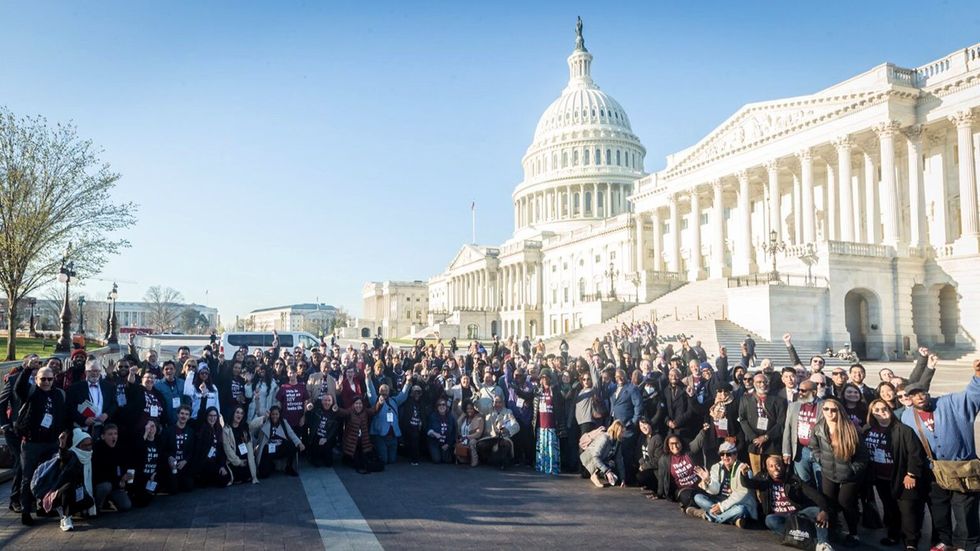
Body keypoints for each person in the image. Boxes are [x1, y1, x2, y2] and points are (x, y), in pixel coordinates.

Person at [901, 358, 980, 551]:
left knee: (964, 510)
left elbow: (972, 396)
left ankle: (967, 545)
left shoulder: (950, 402)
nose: (920, 397)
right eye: (914, 395)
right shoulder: (907, 416)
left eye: (922, 392)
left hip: (962, 469)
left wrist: (977, 377)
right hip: (934, 472)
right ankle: (945, 541)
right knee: (939, 509)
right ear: (909, 399)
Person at [864, 398, 928, 549]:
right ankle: (893, 535)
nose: (881, 412)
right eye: (877, 410)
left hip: (902, 477)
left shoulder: (903, 430)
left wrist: (911, 474)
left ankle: (911, 542)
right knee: (890, 508)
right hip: (881, 478)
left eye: (884, 408)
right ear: (872, 414)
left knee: (908, 511)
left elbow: (915, 454)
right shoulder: (868, 430)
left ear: (890, 410)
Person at [742, 456, 833, 551]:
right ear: (767, 468)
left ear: (783, 466)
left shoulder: (793, 479)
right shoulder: (763, 479)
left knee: (818, 511)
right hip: (780, 518)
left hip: (797, 514)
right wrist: (744, 474)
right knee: (769, 520)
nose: (775, 469)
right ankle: (805, 539)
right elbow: (748, 483)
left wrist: (824, 510)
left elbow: (814, 495)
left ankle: (823, 543)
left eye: (778, 465)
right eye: (771, 466)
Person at [809, 398, 868, 546]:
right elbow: (814, 447)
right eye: (826, 409)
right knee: (828, 502)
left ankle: (853, 533)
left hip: (849, 474)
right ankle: (833, 529)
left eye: (833, 409)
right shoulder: (819, 427)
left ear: (840, 411)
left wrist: (853, 470)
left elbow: (862, 455)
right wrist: (820, 460)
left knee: (846, 502)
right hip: (828, 472)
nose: (829, 412)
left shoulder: (850, 428)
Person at [15, 365, 68, 525]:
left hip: (51, 442)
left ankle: (43, 506)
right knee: (28, 476)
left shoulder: (59, 394)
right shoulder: (31, 393)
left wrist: (63, 431)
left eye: (49, 379)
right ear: (36, 379)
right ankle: (26, 511)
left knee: (48, 476)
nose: (46, 382)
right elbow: (19, 388)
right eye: (43, 379)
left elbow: (62, 415)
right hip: (32, 443)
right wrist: (26, 369)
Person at [687, 442, 756, 527]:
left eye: (728, 454)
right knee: (698, 497)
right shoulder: (716, 467)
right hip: (719, 501)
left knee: (740, 510)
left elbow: (742, 493)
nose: (725, 457)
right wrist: (708, 481)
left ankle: (706, 515)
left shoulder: (744, 469)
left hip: (738, 503)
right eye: (722, 454)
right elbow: (715, 491)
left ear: (735, 455)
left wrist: (721, 507)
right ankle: (732, 519)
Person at [738, 372, 786, 477]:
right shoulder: (745, 400)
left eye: (765, 382)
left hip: (773, 443)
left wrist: (766, 437)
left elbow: (781, 422)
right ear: (754, 383)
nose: (762, 384)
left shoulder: (779, 401)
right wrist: (754, 438)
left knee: (776, 474)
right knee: (757, 475)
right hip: (754, 444)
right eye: (759, 382)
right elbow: (742, 419)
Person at [782, 380, 822, 484]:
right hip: (800, 451)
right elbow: (788, 429)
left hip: (820, 450)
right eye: (799, 390)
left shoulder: (824, 406)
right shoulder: (793, 406)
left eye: (803, 391)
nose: (800, 393)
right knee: (804, 483)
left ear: (814, 392)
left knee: (821, 483)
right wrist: (786, 451)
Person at [67, 358, 116, 440]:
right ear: (86, 372)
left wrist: (106, 414)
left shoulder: (108, 386)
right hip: (83, 428)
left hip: (103, 427)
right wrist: (84, 420)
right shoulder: (75, 388)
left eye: (97, 371)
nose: (95, 373)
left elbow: (114, 404)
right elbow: (70, 408)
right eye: (91, 371)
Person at [365, 376, 411, 465]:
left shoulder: (394, 400)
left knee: (392, 461)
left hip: (393, 437)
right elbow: (370, 391)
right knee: (384, 461)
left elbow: (403, 394)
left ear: (389, 391)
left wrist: (408, 382)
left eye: (386, 389)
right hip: (381, 436)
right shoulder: (375, 400)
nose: (384, 391)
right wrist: (368, 378)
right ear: (379, 391)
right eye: (382, 389)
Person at [251, 405, 304, 478]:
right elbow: (252, 425)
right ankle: (271, 465)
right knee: (263, 474)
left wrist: (299, 443)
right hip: (268, 449)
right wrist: (263, 418)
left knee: (291, 445)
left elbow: (291, 433)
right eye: (273, 414)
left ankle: (289, 467)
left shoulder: (283, 422)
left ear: (279, 415)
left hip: (280, 447)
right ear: (270, 414)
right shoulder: (265, 421)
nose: (274, 416)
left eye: (276, 414)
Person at [609, 368, 642, 485]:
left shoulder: (632, 388)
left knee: (627, 454)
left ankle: (629, 479)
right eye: (617, 377)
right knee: (617, 454)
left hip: (628, 427)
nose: (619, 378)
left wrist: (633, 422)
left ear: (625, 376)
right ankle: (620, 478)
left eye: (621, 376)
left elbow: (638, 406)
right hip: (615, 427)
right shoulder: (613, 389)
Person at [657, 430, 706, 508]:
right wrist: (659, 494)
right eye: (672, 444)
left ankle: (698, 510)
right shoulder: (664, 459)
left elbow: (697, 441)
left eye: (677, 443)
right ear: (667, 445)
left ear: (681, 443)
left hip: (698, 485)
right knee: (689, 498)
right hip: (683, 489)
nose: (675, 446)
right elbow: (661, 477)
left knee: (705, 496)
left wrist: (704, 430)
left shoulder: (688, 452)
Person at [530, 372, 565, 476]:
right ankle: (541, 466)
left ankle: (552, 468)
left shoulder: (555, 391)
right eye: (542, 378)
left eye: (546, 377)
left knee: (551, 448)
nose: (544, 380)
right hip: (540, 425)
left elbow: (560, 405)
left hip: (552, 425)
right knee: (541, 447)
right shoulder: (537, 391)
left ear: (550, 378)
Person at [92, 423, 132, 513]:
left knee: (126, 505)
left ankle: (110, 501)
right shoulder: (97, 450)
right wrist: (119, 480)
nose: (113, 437)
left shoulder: (120, 449)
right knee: (106, 486)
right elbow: (99, 474)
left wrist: (125, 476)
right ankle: (96, 507)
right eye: (110, 434)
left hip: (115, 485)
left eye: (115, 434)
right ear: (103, 436)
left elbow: (123, 467)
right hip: (101, 485)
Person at [477, 395, 520, 470]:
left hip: (503, 437)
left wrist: (507, 429)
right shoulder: (488, 411)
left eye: (500, 402)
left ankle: (504, 463)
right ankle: (488, 461)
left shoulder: (508, 412)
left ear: (503, 403)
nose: (498, 404)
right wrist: (476, 398)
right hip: (490, 437)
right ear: (493, 403)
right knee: (480, 445)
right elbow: (478, 408)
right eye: (496, 402)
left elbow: (516, 426)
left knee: (504, 445)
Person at [161, 404, 196, 494]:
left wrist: (185, 461)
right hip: (171, 465)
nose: (184, 416)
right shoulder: (168, 431)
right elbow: (162, 449)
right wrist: (169, 457)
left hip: (183, 464)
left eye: (186, 414)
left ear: (189, 417)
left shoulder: (191, 432)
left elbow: (192, 450)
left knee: (189, 486)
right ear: (177, 415)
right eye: (182, 413)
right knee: (173, 490)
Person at [580, 420, 625, 488]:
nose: (623, 434)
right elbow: (595, 456)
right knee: (600, 461)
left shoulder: (617, 442)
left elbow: (619, 460)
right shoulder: (604, 438)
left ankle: (601, 474)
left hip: (602, 460)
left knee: (615, 475)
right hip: (590, 460)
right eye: (622, 432)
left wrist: (623, 478)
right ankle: (594, 475)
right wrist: (607, 471)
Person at [195, 407, 231, 487]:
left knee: (226, 478)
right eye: (210, 416)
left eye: (215, 416)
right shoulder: (202, 428)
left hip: (216, 461)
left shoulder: (219, 429)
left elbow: (221, 449)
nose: (212, 418)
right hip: (205, 462)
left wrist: (221, 465)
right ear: (206, 416)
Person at [130, 420, 163, 508]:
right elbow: (137, 451)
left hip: (153, 477)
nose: (151, 429)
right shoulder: (141, 441)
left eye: (153, 426)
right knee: (142, 501)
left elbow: (161, 461)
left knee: (146, 498)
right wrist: (145, 433)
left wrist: (155, 473)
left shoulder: (159, 442)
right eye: (148, 427)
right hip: (141, 476)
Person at [337, 396, 374, 473]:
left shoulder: (366, 411)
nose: (358, 405)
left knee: (364, 462)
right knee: (356, 463)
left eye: (360, 403)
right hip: (352, 443)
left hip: (363, 442)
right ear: (353, 405)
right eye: (356, 403)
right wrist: (336, 409)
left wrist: (380, 403)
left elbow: (374, 410)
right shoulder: (350, 411)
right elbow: (342, 412)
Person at [222, 405, 258, 483]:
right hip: (234, 461)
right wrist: (239, 462)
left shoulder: (245, 428)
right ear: (233, 414)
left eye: (241, 413)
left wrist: (264, 417)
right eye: (237, 412)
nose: (239, 415)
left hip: (246, 460)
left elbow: (255, 424)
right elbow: (227, 449)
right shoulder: (226, 429)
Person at [307, 394, 341, 468]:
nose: (327, 402)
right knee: (316, 462)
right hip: (316, 437)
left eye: (329, 400)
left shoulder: (335, 414)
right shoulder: (317, 410)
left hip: (327, 438)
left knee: (329, 463)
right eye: (325, 400)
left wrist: (326, 438)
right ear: (322, 401)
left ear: (332, 402)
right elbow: (309, 421)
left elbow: (334, 429)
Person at [426, 399, 457, 464]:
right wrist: (434, 433)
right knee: (437, 460)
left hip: (446, 442)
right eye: (439, 405)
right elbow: (428, 430)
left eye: (443, 404)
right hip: (435, 442)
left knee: (446, 460)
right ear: (437, 407)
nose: (441, 406)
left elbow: (454, 433)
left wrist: (448, 444)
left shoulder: (451, 417)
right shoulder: (433, 416)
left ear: (446, 406)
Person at [456, 401, 484, 467]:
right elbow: (457, 425)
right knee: (462, 460)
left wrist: (467, 437)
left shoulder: (479, 418)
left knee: (472, 442)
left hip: (474, 439)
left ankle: (475, 460)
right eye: (467, 409)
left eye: (471, 408)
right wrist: (462, 416)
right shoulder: (465, 418)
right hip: (463, 440)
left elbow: (478, 433)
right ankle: (463, 458)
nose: (469, 410)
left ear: (474, 409)